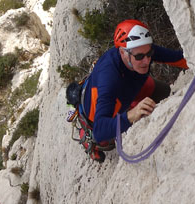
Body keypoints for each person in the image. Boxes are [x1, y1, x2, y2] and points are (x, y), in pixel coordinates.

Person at [78, 19, 188, 162]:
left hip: (129, 91)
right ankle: (91, 140)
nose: (146, 61)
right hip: (102, 109)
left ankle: (130, 107)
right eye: (139, 57)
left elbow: (178, 59)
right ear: (123, 53)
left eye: (149, 53)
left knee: (162, 91)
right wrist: (131, 115)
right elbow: (100, 130)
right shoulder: (109, 78)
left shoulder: (141, 49)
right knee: (105, 139)